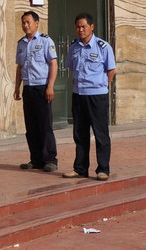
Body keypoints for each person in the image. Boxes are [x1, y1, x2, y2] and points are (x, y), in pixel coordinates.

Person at [63, 13, 116, 181]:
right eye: (78, 27)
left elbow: (111, 70)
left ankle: (103, 169)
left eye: (83, 26)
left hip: (97, 96)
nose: (80, 30)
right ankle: (80, 168)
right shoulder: (73, 47)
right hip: (79, 95)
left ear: (91, 27)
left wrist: (101, 85)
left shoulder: (103, 46)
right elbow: (71, 67)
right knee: (79, 134)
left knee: (100, 134)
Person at [14, 10, 58, 173]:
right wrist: (17, 88)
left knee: (45, 124)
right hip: (28, 88)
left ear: (37, 23)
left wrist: (50, 86)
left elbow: (53, 64)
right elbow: (19, 67)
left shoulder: (46, 41)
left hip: (42, 87)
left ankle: (50, 159)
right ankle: (36, 159)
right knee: (31, 126)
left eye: (28, 22)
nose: (25, 25)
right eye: (23, 22)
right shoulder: (21, 43)